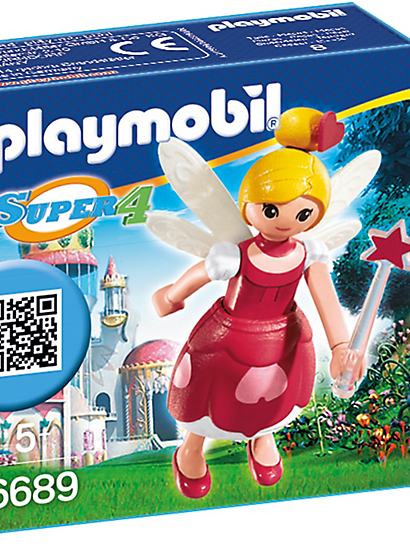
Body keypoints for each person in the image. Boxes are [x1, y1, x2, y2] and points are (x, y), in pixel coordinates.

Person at [152, 108, 365, 498]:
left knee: (273, 394)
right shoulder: (235, 255)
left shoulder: (309, 254)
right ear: (249, 206)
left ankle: (262, 435)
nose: (285, 222)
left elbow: (326, 300)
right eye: (271, 209)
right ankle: (192, 448)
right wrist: (170, 296)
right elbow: (201, 273)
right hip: (228, 337)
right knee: (207, 397)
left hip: (283, 336)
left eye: (304, 212)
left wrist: (340, 347)